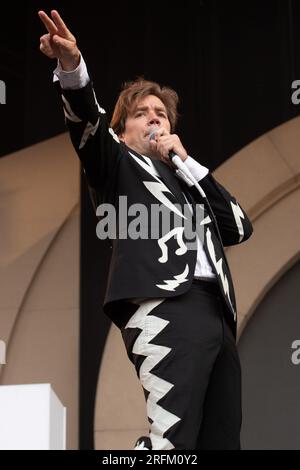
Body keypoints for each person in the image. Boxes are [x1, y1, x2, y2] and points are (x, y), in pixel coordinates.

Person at [38, 10, 253, 450]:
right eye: (142, 113)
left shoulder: (188, 179)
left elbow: (238, 226)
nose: (155, 119)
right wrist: (71, 67)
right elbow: (87, 122)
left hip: (217, 314)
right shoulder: (116, 162)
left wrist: (186, 162)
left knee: (221, 442)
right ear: (123, 128)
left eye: (162, 114)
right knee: (172, 439)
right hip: (167, 304)